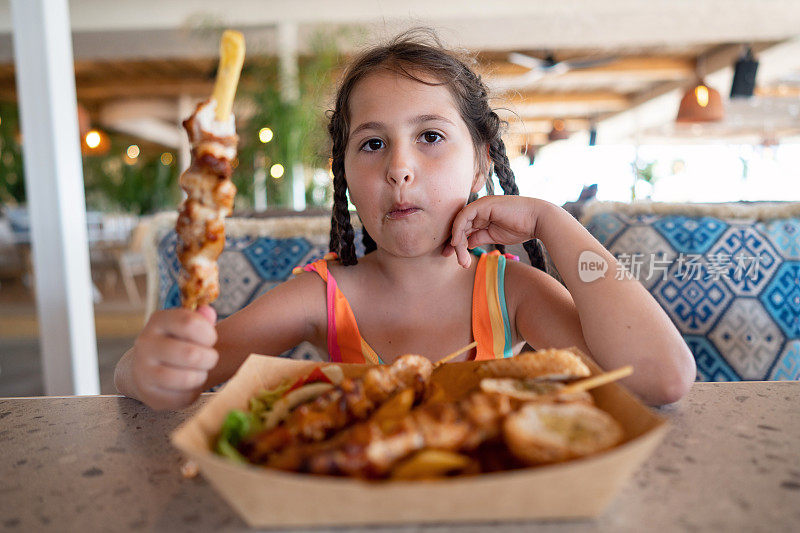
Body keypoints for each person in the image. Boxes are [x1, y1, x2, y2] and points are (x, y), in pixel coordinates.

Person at [114, 29, 695, 411]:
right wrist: (146, 369)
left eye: (431, 137)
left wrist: (551, 221)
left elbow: (661, 378)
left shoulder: (511, 293)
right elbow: (181, 369)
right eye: (372, 145)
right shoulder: (324, 296)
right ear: (342, 172)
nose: (400, 169)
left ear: (480, 165)